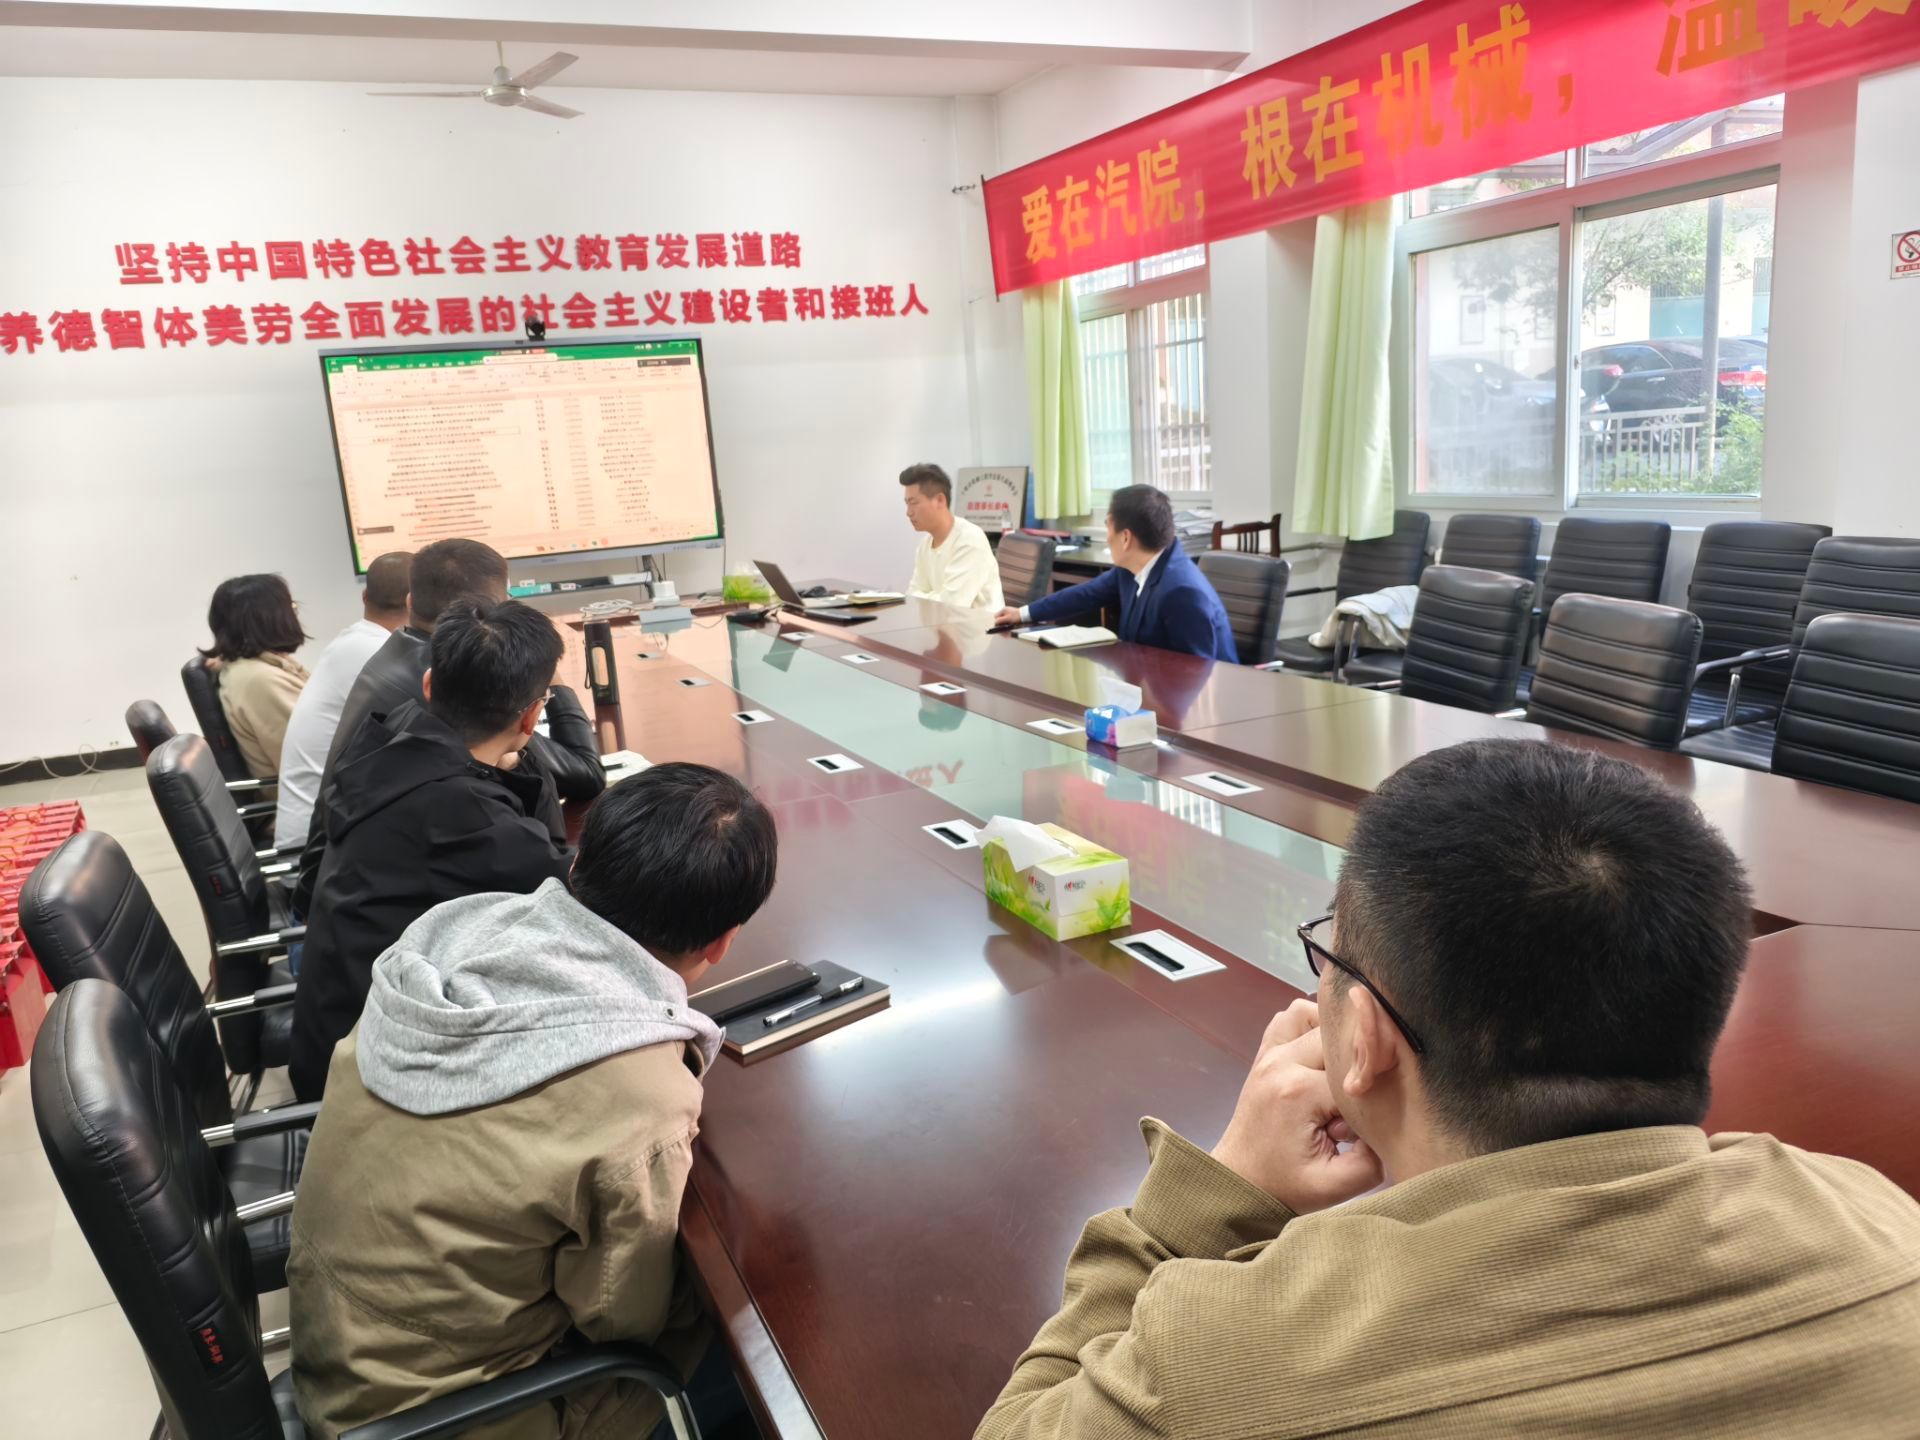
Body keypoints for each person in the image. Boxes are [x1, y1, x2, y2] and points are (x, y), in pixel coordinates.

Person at [976, 739, 1920, 1439]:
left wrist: (1208, 1201)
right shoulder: (1879, 1221)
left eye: (1329, 957)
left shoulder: (1221, 1360)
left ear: (1366, 1040)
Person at [289, 761, 778, 1440]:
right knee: (743, 1340)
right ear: (723, 942)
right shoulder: (639, 1094)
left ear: (579, 865)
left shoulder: (458, 931)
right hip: (448, 1417)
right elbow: (622, 1318)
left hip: (335, 1346)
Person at [289, 597, 575, 1102]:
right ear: (532, 716)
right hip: (372, 1080)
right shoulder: (470, 817)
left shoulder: (389, 731)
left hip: (330, 1032)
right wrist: (524, 765)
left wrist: (497, 767)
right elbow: (565, 886)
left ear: (427, 685)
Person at [291, 537, 604, 915]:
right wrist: (549, 679)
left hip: (336, 900)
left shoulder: (399, 659)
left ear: (410, 602)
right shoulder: (468, 681)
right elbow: (584, 781)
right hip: (380, 925)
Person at [993, 485, 1235, 662]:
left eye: (1108, 526)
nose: (1107, 537)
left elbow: (1196, 676)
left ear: (1126, 537)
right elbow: (1085, 594)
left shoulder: (1181, 591)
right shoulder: (1133, 570)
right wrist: (1023, 613)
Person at [272, 551, 412, 851]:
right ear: (415, 602)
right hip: (319, 848)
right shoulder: (382, 654)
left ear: (364, 597)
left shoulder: (353, 642)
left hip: (327, 826)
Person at [200, 573, 310, 778]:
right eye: (291, 607)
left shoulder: (258, 667)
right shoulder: (262, 681)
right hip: (313, 794)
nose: (295, 614)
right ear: (270, 618)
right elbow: (309, 764)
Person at [903, 462, 1004, 611]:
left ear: (940, 500)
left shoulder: (969, 539)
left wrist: (926, 597)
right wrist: (936, 597)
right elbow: (911, 596)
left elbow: (952, 605)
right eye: (907, 504)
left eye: (914, 503)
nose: (908, 512)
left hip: (981, 625)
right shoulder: (925, 544)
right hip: (941, 623)